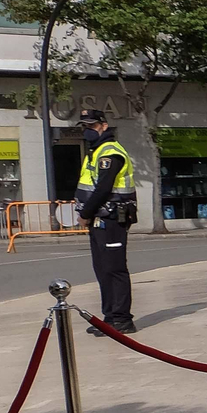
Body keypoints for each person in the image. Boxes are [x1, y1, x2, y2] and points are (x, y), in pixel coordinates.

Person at [74, 109, 137, 334]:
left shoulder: (110, 152)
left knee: (114, 269)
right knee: (102, 269)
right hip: (100, 219)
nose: (88, 130)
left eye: (91, 125)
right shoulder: (96, 151)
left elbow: (103, 189)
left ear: (104, 125)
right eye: (85, 126)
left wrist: (85, 214)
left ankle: (122, 319)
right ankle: (110, 317)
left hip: (111, 218)